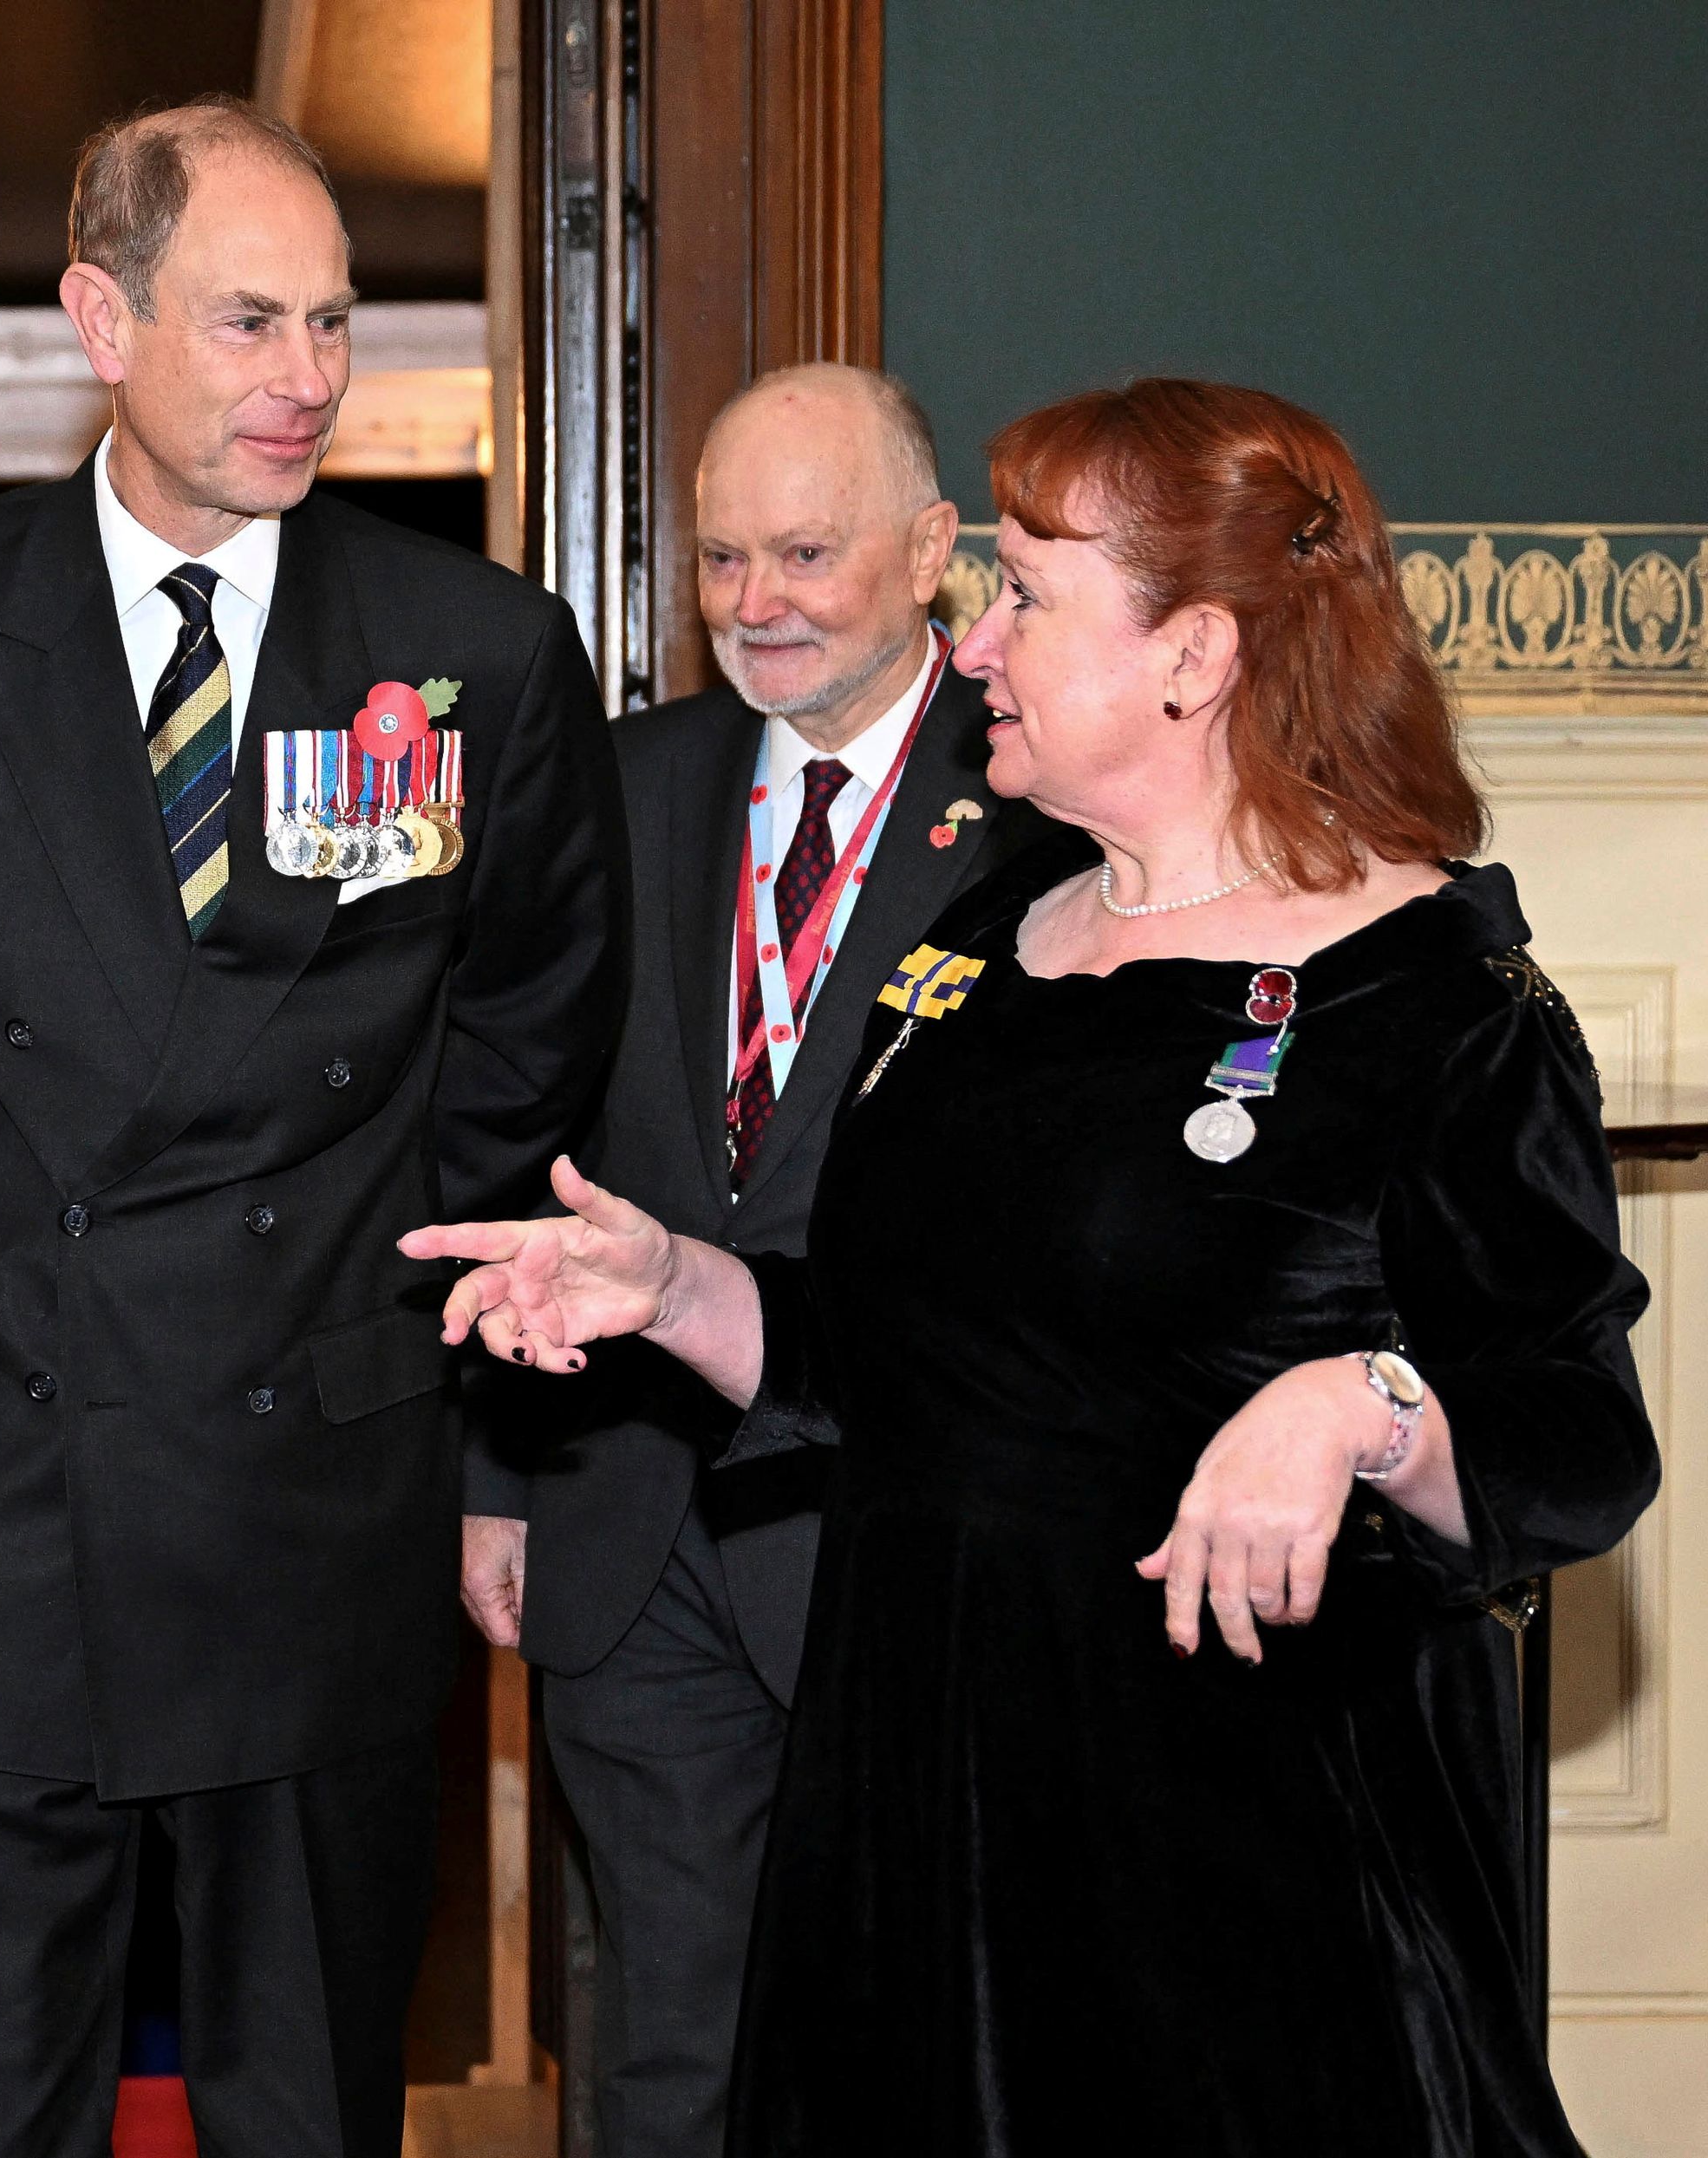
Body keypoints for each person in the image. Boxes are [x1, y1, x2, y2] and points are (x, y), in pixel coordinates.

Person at [407, 379, 1657, 2155]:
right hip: (919, 1814)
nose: (973, 640)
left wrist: (1357, 1404)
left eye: (1026, 598)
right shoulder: (990, 941)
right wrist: (676, 1284)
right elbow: (902, 1357)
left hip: (1234, 1868)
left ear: (1193, 655)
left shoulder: (1436, 1000)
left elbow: (1576, 1436)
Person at [0, 96, 627, 2158]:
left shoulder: (474, 650)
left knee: (305, 2099)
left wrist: (358, 1307)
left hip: (305, 1480)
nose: (302, 380)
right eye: (245, 323)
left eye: (331, 322)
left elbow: (523, 1037)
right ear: (95, 317)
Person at [460, 362, 1063, 2157]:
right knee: (663, 2044)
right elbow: (521, 1127)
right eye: (723, 557)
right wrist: (498, 1467)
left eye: (805, 552)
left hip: (908, 1527)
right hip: (629, 1518)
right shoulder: (612, 784)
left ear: (933, 550)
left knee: (920, 2039)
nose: (757, 602)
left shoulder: (1040, 806)